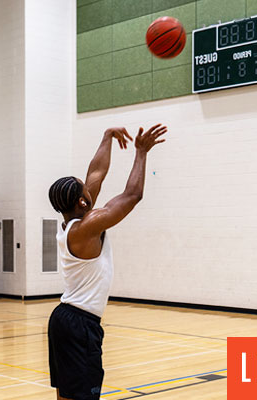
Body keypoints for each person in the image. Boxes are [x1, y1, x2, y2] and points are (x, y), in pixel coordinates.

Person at [47, 124, 167, 400]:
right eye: (84, 189)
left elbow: (96, 173)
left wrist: (107, 137)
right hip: (80, 324)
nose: (90, 187)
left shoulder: (71, 223)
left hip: (65, 319)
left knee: (68, 395)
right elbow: (131, 196)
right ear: (82, 201)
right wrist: (141, 152)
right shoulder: (86, 229)